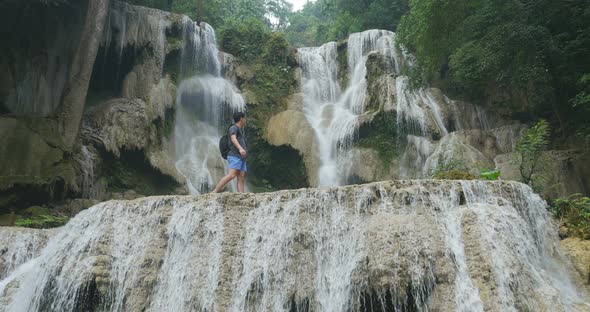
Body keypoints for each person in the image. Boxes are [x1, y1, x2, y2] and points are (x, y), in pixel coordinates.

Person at [213, 112, 248, 193]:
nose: (245, 120)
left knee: (241, 177)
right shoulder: (233, 128)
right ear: (241, 119)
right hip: (235, 155)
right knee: (232, 175)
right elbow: (233, 138)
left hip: (241, 157)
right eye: (244, 118)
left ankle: (241, 195)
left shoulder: (240, 130)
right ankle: (215, 191)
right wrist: (240, 149)